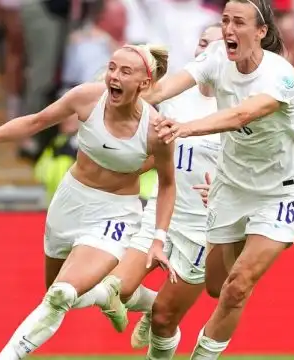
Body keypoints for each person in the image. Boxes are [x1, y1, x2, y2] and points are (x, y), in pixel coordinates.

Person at [0, 44, 177, 360]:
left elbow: (169, 183)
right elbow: (34, 122)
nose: (114, 76)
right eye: (112, 67)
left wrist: (159, 238)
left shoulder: (156, 130)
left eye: (125, 72)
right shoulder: (87, 97)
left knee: (61, 295)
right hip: (69, 202)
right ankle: (129, 299)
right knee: (55, 291)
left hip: (115, 213)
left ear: (144, 84)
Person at [144, 0, 294, 358]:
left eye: (239, 22)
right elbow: (167, 88)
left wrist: (185, 128)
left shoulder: (279, 75)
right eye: (225, 21)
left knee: (238, 286)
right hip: (231, 186)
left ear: (261, 31)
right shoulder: (217, 55)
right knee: (216, 286)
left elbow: (241, 114)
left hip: (279, 192)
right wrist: (129, 96)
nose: (229, 29)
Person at [68, 24, 223, 360]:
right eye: (201, 44)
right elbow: (136, 116)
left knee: (166, 319)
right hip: (161, 213)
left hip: (203, 227)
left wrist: (228, 194)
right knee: (114, 290)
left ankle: (159, 319)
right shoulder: (176, 93)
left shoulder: (240, 108)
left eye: (217, 46)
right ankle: (150, 307)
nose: (206, 52)